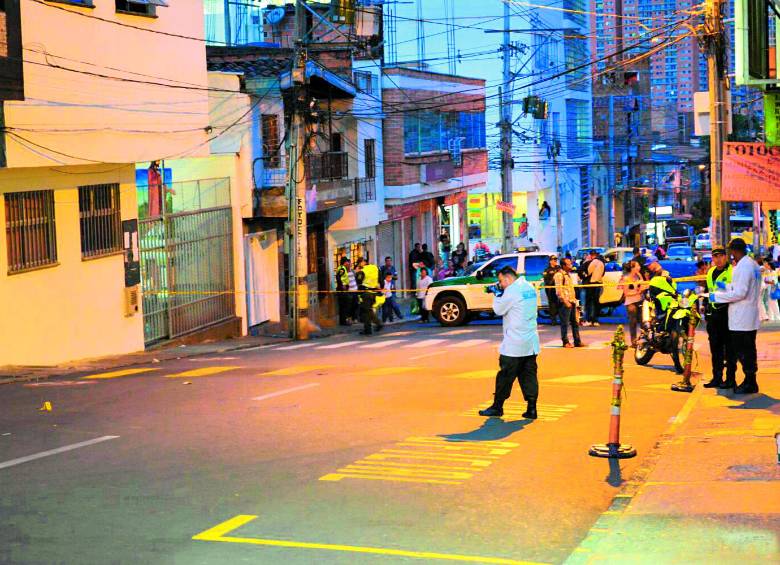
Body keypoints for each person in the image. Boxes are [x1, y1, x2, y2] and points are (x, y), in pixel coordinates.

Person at [478, 266, 540, 419]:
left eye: (501, 281)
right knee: (528, 375)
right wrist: (500, 290)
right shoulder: (528, 287)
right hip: (531, 342)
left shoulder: (512, 291)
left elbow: (498, 310)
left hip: (514, 343)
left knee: (505, 376)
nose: (500, 284)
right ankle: (532, 408)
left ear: (507, 278)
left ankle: (497, 407)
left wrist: (497, 293)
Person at [710, 238, 761, 394]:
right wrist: (725, 286)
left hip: (742, 317)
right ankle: (749, 380)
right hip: (747, 316)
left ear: (734, 251)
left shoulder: (744, 266)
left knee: (744, 351)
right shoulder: (750, 264)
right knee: (747, 350)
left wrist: (716, 297)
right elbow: (739, 286)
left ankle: (750, 382)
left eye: (730, 251)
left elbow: (740, 292)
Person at [701, 247, 737, 389]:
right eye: (715, 257)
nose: (718, 259)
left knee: (729, 349)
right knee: (715, 349)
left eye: (721, 256)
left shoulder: (732, 271)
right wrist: (704, 306)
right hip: (713, 315)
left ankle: (730, 379)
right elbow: (708, 291)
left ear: (726, 257)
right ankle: (717, 377)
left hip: (727, 314)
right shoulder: (710, 272)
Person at [554, 258, 584, 348]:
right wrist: (565, 301)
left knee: (575, 322)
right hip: (565, 303)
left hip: (572, 301)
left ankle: (577, 341)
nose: (571, 266)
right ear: (563, 266)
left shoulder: (568, 275)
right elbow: (559, 291)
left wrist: (574, 300)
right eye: (569, 264)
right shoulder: (559, 275)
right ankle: (565, 341)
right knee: (565, 323)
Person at [619, 260, 645, 346]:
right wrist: (638, 292)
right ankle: (633, 342)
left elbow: (642, 283)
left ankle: (643, 340)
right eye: (637, 266)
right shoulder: (626, 279)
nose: (639, 267)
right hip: (630, 303)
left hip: (639, 301)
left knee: (642, 321)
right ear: (632, 268)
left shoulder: (637, 277)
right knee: (633, 322)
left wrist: (640, 275)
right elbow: (626, 293)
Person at [646, 259, 677, 330]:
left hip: (662, 300)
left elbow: (669, 286)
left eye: (649, 264)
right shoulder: (652, 273)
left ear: (654, 263)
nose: (648, 267)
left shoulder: (664, 273)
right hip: (654, 299)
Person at [355, 259, 384, 335]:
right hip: (374, 293)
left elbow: (358, 281)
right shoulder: (375, 268)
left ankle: (377, 324)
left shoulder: (363, 270)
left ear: (362, 262)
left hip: (366, 293)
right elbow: (381, 280)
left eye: (359, 263)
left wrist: (357, 272)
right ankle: (368, 330)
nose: (359, 265)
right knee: (367, 311)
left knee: (366, 311)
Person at [585, 250, 605, 326]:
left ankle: (589, 319)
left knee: (590, 302)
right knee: (596, 302)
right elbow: (603, 273)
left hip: (592, 283)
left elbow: (588, 272)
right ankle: (596, 320)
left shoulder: (594, 262)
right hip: (599, 283)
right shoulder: (602, 263)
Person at [542, 255, 561, 325]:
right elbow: (546, 280)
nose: (555, 261)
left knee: (560, 304)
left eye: (556, 259)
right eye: (553, 259)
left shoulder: (559, 268)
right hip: (551, 289)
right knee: (552, 304)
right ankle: (553, 321)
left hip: (559, 288)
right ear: (550, 261)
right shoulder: (547, 270)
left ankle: (562, 319)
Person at [335, 257, 352, 326]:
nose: (348, 263)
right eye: (347, 262)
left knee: (343, 306)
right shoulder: (342, 268)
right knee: (345, 305)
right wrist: (342, 285)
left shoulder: (343, 268)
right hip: (342, 290)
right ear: (345, 262)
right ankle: (344, 321)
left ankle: (343, 321)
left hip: (343, 289)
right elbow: (338, 277)